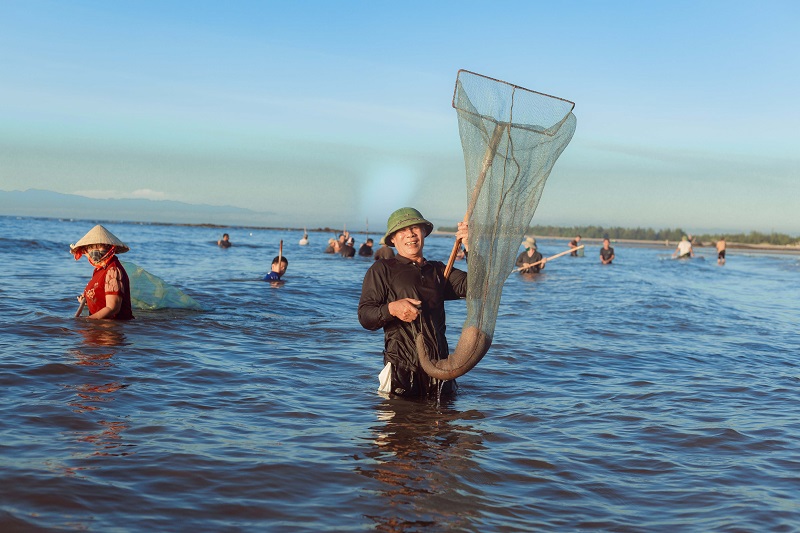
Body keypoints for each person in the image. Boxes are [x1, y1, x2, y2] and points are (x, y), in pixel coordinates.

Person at [358, 207, 469, 399]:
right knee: (400, 427)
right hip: (402, 372)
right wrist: (391, 308)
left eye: (415, 228)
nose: (410, 233)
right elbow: (365, 316)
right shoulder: (382, 269)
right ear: (392, 239)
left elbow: (481, 285)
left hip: (441, 370)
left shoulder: (439, 271)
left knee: (443, 426)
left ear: (424, 232)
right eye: (402, 230)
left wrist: (470, 246)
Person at [70, 224, 134, 320]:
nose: (94, 251)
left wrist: (87, 321)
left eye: (100, 247)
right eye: (91, 247)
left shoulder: (113, 270)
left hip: (111, 327)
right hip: (99, 325)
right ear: (86, 249)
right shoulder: (99, 269)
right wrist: (88, 299)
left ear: (110, 248)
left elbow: (113, 308)